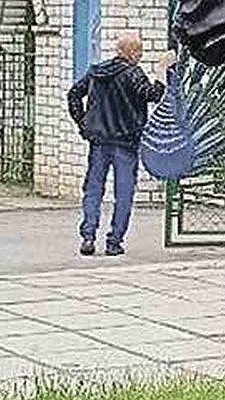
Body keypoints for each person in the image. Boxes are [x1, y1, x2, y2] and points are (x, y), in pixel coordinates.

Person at [68, 32, 165, 257]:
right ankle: (114, 242)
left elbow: (73, 94)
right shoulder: (133, 74)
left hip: (99, 141)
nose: (140, 56)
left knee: (93, 189)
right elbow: (151, 95)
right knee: (124, 192)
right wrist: (161, 72)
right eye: (139, 51)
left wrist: (83, 123)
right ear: (130, 52)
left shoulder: (96, 72)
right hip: (125, 143)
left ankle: (88, 236)